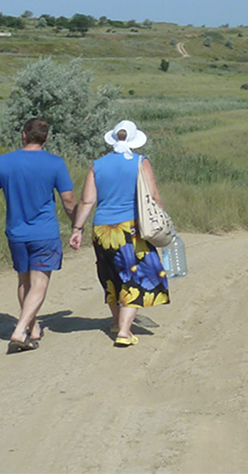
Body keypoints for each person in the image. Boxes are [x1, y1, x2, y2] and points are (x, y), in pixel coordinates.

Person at [0, 117, 77, 353]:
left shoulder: (4, 162)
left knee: (24, 281)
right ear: (47, 138)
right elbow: (69, 199)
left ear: (23, 135)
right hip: (44, 233)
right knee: (39, 283)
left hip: (16, 233)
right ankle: (20, 330)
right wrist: (77, 226)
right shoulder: (55, 163)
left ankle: (33, 327)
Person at [69, 120, 170, 347]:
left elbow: (87, 201)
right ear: (134, 141)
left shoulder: (97, 165)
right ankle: (124, 332)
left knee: (111, 276)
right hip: (132, 229)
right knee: (133, 277)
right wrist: (163, 222)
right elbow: (154, 197)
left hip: (102, 229)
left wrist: (77, 229)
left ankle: (116, 321)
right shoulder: (140, 163)